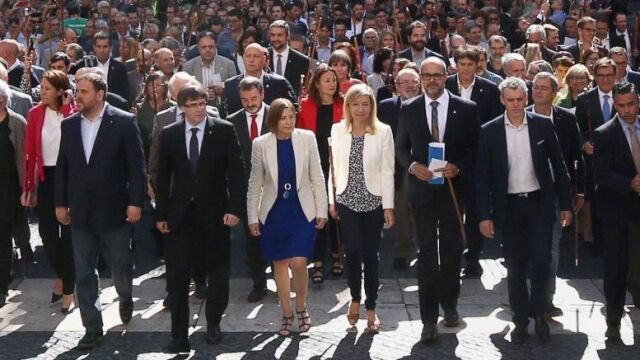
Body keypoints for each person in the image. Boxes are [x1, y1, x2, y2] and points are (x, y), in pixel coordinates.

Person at [475, 77, 573, 344]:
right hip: (509, 208)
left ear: (527, 98)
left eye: (520, 99)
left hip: (541, 203)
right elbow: (482, 177)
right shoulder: (489, 130)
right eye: (510, 100)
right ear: (502, 100)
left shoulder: (543, 125)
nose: (516, 105)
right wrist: (484, 215)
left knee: (542, 261)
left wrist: (566, 204)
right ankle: (520, 319)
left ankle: (539, 313)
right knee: (516, 267)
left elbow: (560, 167)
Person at [54, 72, 145, 349]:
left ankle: (125, 296)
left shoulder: (125, 122)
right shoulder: (69, 125)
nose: (77, 96)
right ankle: (92, 327)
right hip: (80, 211)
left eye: (83, 91)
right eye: (77, 90)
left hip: (115, 210)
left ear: (100, 94)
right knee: (84, 271)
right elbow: (63, 166)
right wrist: (60, 202)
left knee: (120, 265)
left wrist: (135, 202)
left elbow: (137, 168)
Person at [155, 84, 245, 353]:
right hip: (181, 216)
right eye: (192, 104)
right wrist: (161, 214)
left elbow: (238, 173)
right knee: (178, 277)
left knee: (218, 273)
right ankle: (178, 336)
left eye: (201, 103)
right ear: (182, 107)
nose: (198, 109)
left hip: (216, 214)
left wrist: (235, 209)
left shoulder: (223, 130)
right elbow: (163, 176)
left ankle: (214, 322)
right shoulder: (170, 134)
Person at [396, 57, 480, 343]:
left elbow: (474, 149)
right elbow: (401, 148)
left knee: (453, 251)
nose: (431, 80)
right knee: (428, 255)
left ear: (447, 76)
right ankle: (428, 319)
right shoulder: (408, 108)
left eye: (437, 75)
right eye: (426, 75)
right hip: (421, 192)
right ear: (420, 77)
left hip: (453, 193)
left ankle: (451, 306)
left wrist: (459, 166)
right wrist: (412, 166)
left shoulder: (466, 108)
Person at [247, 97, 328, 336]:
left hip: (302, 209)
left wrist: (322, 209)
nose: (288, 121)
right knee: (280, 263)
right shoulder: (261, 144)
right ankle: (286, 313)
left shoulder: (307, 138)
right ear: (273, 120)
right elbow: (255, 182)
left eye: (291, 116)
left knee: (300, 262)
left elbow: (317, 175)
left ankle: (301, 306)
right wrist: (253, 216)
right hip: (274, 212)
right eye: (283, 118)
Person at [329, 84, 394, 334]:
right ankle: (355, 298)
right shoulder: (337, 130)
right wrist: (331, 199)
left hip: (373, 199)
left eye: (365, 104)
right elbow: (333, 168)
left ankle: (371, 308)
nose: (360, 109)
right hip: (346, 199)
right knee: (352, 252)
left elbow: (388, 170)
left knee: (371, 254)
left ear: (372, 107)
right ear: (348, 106)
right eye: (355, 104)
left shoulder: (383, 132)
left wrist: (388, 205)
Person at [528, 72, 585, 317]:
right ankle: (525, 296)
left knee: (550, 248)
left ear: (554, 93)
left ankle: (545, 299)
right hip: (522, 192)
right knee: (525, 249)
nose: (538, 92)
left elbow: (576, 157)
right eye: (535, 87)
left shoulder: (566, 119)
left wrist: (579, 190)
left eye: (543, 88)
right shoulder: (519, 115)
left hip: (554, 195)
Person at [22, 70, 77, 314]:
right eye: (41, 87)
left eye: (46, 88)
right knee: (46, 233)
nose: (41, 91)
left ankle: (68, 292)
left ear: (60, 90)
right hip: (46, 177)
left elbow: (74, 139)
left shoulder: (72, 111)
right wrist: (29, 187)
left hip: (70, 179)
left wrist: (66, 108)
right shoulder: (35, 113)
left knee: (68, 235)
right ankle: (65, 278)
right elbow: (30, 153)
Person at [593, 82, 640, 342]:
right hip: (618, 211)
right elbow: (602, 172)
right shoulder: (605, 134)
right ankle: (613, 322)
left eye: (631, 104)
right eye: (621, 106)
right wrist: (629, 183)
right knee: (616, 269)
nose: (627, 110)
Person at [297, 64, 344, 284]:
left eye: (334, 80)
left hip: (339, 164)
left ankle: (337, 254)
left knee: (336, 211)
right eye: (326, 80)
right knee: (317, 211)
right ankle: (317, 260)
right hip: (314, 165)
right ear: (316, 83)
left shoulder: (343, 104)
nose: (331, 84)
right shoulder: (306, 106)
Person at [225, 77, 271, 303]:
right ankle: (258, 283)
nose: (250, 104)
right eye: (245, 100)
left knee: (276, 233)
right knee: (252, 238)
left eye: (254, 98)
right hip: (245, 189)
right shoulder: (231, 122)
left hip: (274, 187)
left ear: (262, 94)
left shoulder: (276, 115)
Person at [377, 68, 422, 270]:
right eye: (405, 82)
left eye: (414, 82)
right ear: (396, 85)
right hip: (395, 168)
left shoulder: (427, 106)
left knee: (423, 211)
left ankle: (425, 250)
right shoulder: (385, 107)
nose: (410, 86)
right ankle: (403, 251)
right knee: (400, 212)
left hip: (422, 167)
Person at [0, 80, 26, 308]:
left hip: (8, 187)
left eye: (2, 97)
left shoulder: (17, 123)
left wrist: (25, 188)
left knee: (3, 235)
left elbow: (23, 159)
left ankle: (2, 285)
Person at [224, 43, 297, 116]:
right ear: (243, 58)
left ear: (264, 59)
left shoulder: (279, 83)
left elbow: (293, 109)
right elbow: (224, 113)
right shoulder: (230, 84)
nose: (251, 60)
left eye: (256, 56)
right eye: (248, 56)